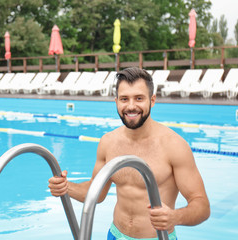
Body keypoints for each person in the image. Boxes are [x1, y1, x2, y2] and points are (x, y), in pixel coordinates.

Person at [48, 67, 210, 240]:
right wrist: (66, 187)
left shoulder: (174, 146)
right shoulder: (108, 142)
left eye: (139, 98)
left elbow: (202, 205)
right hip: (115, 235)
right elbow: (97, 192)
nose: (131, 106)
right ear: (116, 101)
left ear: (152, 100)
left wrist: (175, 217)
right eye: (124, 99)